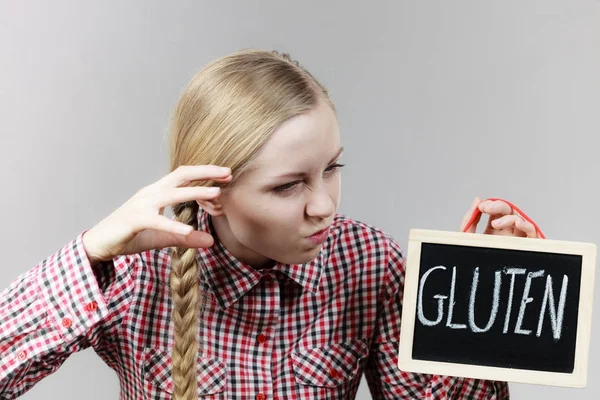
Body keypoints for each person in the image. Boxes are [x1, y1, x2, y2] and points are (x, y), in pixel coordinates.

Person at [0, 49, 540, 400]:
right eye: (288, 186)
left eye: (332, 169)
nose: (324, 205)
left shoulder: (370, 262)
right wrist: (92, 252)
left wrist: (477, 305)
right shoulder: (135, 276)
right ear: (212, 196)